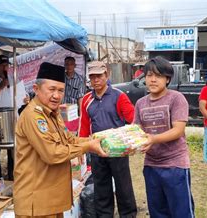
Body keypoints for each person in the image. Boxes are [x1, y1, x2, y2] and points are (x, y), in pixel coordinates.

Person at [14, 62, 107, 217]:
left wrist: (93, 139)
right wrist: (88, 147)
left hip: (51, 199)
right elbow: (52, 153)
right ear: (36, 89)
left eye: (61, 90)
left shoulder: (52, 112)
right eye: (51, 89)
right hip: (36, 201)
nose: (56, 95)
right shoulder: (33, 116)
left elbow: (68, 139)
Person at [134, 57, 194, 218]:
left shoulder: (176, 98)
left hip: (175, 165)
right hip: (151, 165)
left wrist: (152, 139)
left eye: (158, 76)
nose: (153, 80)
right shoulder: (140, 103)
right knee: (157, 211)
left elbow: (178, 130)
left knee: (181, 211)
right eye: (149, 75)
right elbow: (137, 130)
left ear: (167, 79)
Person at [78, 61, 137, 217]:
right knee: (101, 188)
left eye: (99, 76)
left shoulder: (119, 96)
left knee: (123, 188)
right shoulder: (86, 100)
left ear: (107, 75)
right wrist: (81, 150)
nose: (96, 80)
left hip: (118, 151)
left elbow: (134, 120)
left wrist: (132, 141)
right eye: (92, 77)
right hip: (97, 151)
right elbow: (83, 127)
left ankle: (128, 215)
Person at [62, 56, 85, 132]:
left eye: (71, 64)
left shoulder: (80, 79)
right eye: (67, 64)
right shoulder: (61, 77)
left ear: (75, 65)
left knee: (72, 133)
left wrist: (82, 116)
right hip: (61, 111)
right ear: (64, 65)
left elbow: (80, 98)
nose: (69, 66)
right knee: (62, 133)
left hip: (73, 113)